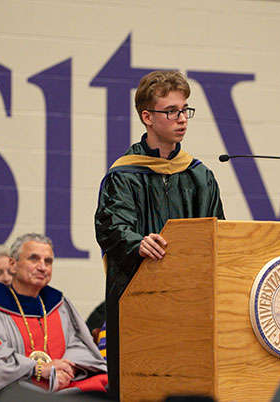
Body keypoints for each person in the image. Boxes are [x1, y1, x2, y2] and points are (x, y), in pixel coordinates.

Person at [95, 70, 225, 398]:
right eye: (171, 111)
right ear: (147, 117)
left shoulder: (200, 176)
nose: (181, 119)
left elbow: (218, 232)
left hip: (190, 304)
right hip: (139, 300)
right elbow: (111, 228)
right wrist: (138, 243)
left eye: (185, 110)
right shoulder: (124, 175)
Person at [0, 233, 107, 401]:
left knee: (105, 386)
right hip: (14, 391)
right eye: (34, 259)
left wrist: (67, 369)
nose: (42, 267)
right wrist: (39, 369)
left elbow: (78, 345)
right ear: (13, 265)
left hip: (63, 387)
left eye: (48, 261)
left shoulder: (59, 305)